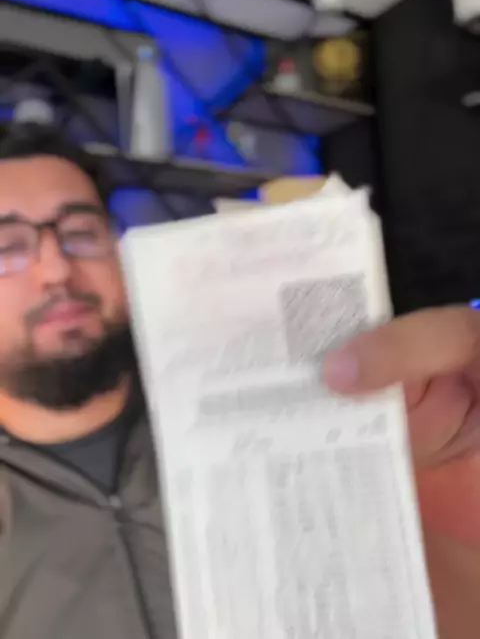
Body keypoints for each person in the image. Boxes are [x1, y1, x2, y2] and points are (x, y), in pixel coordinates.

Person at [0, 123, 479, 639]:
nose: (56, 270)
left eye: (79, 234)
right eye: (7, 248)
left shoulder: (284, 422)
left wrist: (451, 512)